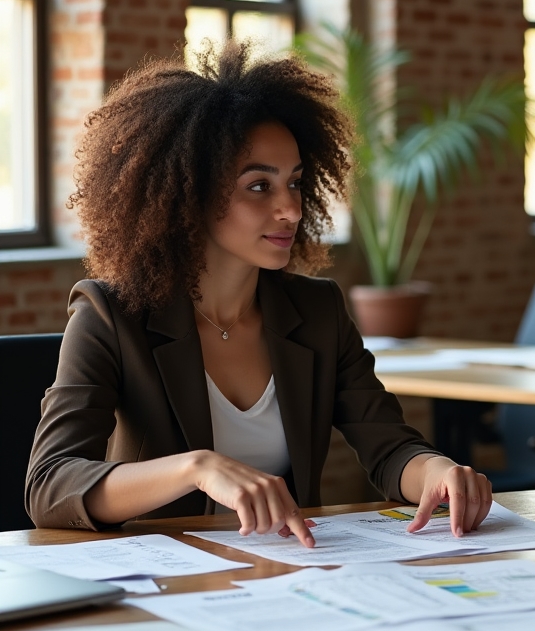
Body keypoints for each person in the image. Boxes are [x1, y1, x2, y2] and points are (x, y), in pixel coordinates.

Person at [26, 42, 492, 544]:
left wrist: (439, 473)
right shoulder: (110, 315)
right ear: (189, 195)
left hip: (284, 574)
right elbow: (50, 486)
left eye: (295, 183)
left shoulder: (318, 311)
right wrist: (196, 468)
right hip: (164, 583)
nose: (290, 209)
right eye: (258, 187)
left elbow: (390, 448)